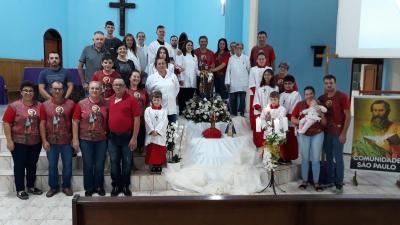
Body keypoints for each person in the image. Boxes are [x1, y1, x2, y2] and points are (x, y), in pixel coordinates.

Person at [2, 81, 43, 200]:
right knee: (19, 165)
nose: (28, 93)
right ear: (21, 92)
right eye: (25, 90)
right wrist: (9, 141)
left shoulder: (39, 106)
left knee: (32, 165)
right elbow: (6, 123)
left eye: (30, 91)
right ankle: (20, 189)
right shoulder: (13, 106)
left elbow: (42, 123)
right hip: (18, 142)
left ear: (34, 93)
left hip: (35, 142)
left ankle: (30, 186)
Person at [72, 81, 108, 197]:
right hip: (85, 139)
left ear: (101, 90)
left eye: (97, 89)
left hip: (101, 139)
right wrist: (75, 139)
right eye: (92, 88)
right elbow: (75, 122)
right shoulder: (81, 104)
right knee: (88, 164)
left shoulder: (106, 103)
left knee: (99, 164)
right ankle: (89, 187)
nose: (94, 91)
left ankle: (99, 186)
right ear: (88, 90)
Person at [39, 81, 75, 197]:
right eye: (55, 89)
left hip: (67, 141)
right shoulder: (44, 105)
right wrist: (44, 140)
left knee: (68, 165)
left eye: (60, 89)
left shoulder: (71, 104)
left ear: (64, 90)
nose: (57, 91)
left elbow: (75, 123)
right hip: (51, 141)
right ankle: (53, 187)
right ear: (50, 90)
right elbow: (42, 123)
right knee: (52, 165)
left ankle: (66, 186)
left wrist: (75, 139)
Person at [318, 74, 351, 193]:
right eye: (326, 83)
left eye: (331, 83)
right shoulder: (321, 98)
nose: (328, 85)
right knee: (329, 157)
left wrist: (344, 133)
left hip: (338, 132)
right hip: (327, 132)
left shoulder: (342, 97)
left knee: (338, 157)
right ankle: (330, 180)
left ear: (335, 83)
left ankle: (339, 183)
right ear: (324, 84)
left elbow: (348, 116)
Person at [108, 78, 141, 196]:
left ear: (124, 87)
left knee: (127, 163)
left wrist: (134, 138)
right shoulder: (110, 100)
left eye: (120, 85)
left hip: (127, 137)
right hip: (112, 137)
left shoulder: (132, 100)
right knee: (114, 162)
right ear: (112, 87)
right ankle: (116, 185)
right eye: (115, 85)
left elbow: (137, 119)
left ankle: (125, 186)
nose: (118, 87)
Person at [291, 86, 326, 192]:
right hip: (303, 134)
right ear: (304, 95)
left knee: (315, 158)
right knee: (305, 158)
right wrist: (301, 122)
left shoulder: (319, 105)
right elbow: (292, 118)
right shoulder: (300, 105)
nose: (308, 96)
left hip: (317, 134)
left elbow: (324, 122)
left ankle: (316, 182)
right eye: (306, 94)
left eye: (310, 94)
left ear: (314, 94)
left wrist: (319, 112)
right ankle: (305, 181)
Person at [146, 57, 180, 123]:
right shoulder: (151, 78)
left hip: (171, 110)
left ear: (166, 65)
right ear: (155, 67)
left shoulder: (173, 76)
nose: (161, 65)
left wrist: (170, 97)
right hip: (158, 110)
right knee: (159, 131)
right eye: (159, 64)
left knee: (172, 131)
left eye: (163, 63)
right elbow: (149, 91)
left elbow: (176, 89)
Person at [253, 68, 278, 148]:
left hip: (271, 114)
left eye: (269, 74)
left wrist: (270, 112)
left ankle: (268, 151)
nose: (267, 76)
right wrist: (263, 111)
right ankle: (259, 150)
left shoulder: (275, 88)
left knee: (270, 133)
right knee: (258, 132)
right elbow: (256, 102)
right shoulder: (259, 88)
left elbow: (276, 101)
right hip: (260, 114)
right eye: (265, 74)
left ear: (272, 76)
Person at [279, 75, 302, 164]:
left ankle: (288, 157)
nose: (287, 85)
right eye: (286, 83)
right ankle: (282, 156)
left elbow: (295, 109)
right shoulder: (281, 95)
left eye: (289, 83)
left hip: (290, 122)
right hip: (281, 122)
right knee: (282, 140)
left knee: (290, 141)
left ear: (293, 84)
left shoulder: (296, 94)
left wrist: (286, 115)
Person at [144, 91, 168, 174]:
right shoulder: (148, 110)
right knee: (152, 150)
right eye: (154, 100)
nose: (156, 101)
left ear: (161, 100)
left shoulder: (164, 111)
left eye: (158, 100)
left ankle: (159, 166)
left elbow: (164, 121)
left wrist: (157, 130)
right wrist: (151, 130)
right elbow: (147, 120)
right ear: (152, 100)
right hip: (151, 134)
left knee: (159, 151)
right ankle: (153, 166)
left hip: (160, 135)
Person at [259, 91, 288, 158]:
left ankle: (275, 160)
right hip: (268, 130)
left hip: (277, 131)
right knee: (267, 148)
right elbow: (262, 119)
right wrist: (265, 125)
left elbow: (280, 120)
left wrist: (270, 120)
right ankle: (267, 160)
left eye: (275, 99)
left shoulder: (282, 109)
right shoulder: (265, 109)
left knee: (276, 148)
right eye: (271, 99)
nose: (273, 101)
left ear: (278, 99)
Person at [224, 43, 250, 116]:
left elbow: (249, 69)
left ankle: (242, 113)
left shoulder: (246, 58)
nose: (238, 49)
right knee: (233, 99)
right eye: (237, 48)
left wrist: (250, 81)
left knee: (242, 99)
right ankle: (233, 113)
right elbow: (228, 70)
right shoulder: (231, 58)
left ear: (242, 49)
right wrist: (227, 82)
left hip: (243, 82)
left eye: (240, 48)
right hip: (234, 82)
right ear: (234, 49)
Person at [249, 52, 272, 130]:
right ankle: (254, 126)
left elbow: (271, 81)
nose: (261, 60)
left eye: (263, 59)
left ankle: (267, 126)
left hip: (267, 92)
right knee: (255, 109)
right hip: (255, 92)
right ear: (256, 60)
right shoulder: (253, 69)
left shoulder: (269, 69)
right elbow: (251, 82)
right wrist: (257, 93)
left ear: (265, 60)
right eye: (260, 59)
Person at [128, 70, 149, 152]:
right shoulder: (125, 91)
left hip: (141, 121)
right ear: (129, 78)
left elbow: (147, 103)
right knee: (130, 147)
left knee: (140, 146)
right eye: (134, 76)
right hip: (129, 122)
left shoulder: (143, 91)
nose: (136, 78)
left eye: (138, 77)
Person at [176, 40, 199, 115]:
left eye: (191, 45)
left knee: (190, 100)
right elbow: (178, 68)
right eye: (188, 45)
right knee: (182, 100)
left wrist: (203, 74)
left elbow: (196, 69)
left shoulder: (194, 56)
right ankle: (181, 114)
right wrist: (180, 79)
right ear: (185, 46)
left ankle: (188, 115)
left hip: (192, 82)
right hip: (183, 81)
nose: (190, 46)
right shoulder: (181, 55)